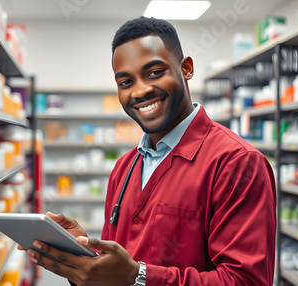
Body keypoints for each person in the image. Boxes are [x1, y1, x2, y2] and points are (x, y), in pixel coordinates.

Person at [22, 17, 277, 285]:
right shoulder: (124, 167)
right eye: (125, 82)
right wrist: (84, 256)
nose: (140, 91)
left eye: (154, 73)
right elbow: (120, 270)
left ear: (186, 68)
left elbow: (246, 281)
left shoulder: (237, 163)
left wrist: (140, 277)